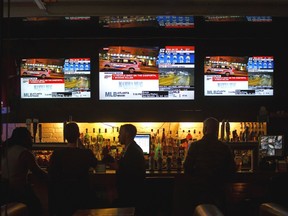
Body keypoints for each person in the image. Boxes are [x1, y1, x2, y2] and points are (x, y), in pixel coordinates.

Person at [182, 117, 236, 213]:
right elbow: (232, 169)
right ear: (217, 130)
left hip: (199, 191)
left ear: (204, 129)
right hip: (219, 191)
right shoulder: (224, 147)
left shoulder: (195, 146)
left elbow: (187, 167)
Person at [48, 122, 98, 216]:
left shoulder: (57, 154)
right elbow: (96, 164)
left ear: (65, 136)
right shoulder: (86, 153)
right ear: (78, 135)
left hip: (62, 197)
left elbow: (51, 173)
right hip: (82, 195)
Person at [1, 127, 48, 216]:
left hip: (5, 189)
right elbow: (37, 172)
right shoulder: (24, 153)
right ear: (25, 138)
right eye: (30, 137)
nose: (31, 139)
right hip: (18, 190)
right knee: (36, 207)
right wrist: (51, 177)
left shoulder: (6, 150)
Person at [115, 124, 146, 211]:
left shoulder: (133, 150)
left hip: (130, 194)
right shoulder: (132, 148)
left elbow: (128, 172)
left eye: (120, 133)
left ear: (127, 134)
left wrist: (117, 167)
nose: (118, 136)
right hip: (132, 193)